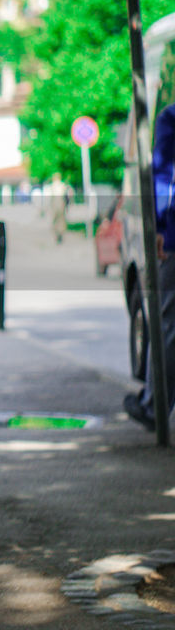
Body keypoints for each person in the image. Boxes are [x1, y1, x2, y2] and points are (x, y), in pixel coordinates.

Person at [125, 104, 175, 432]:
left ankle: (154, 406)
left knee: (168, 322)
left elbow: (163, 177)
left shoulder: (171, 117)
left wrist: (158, 227)